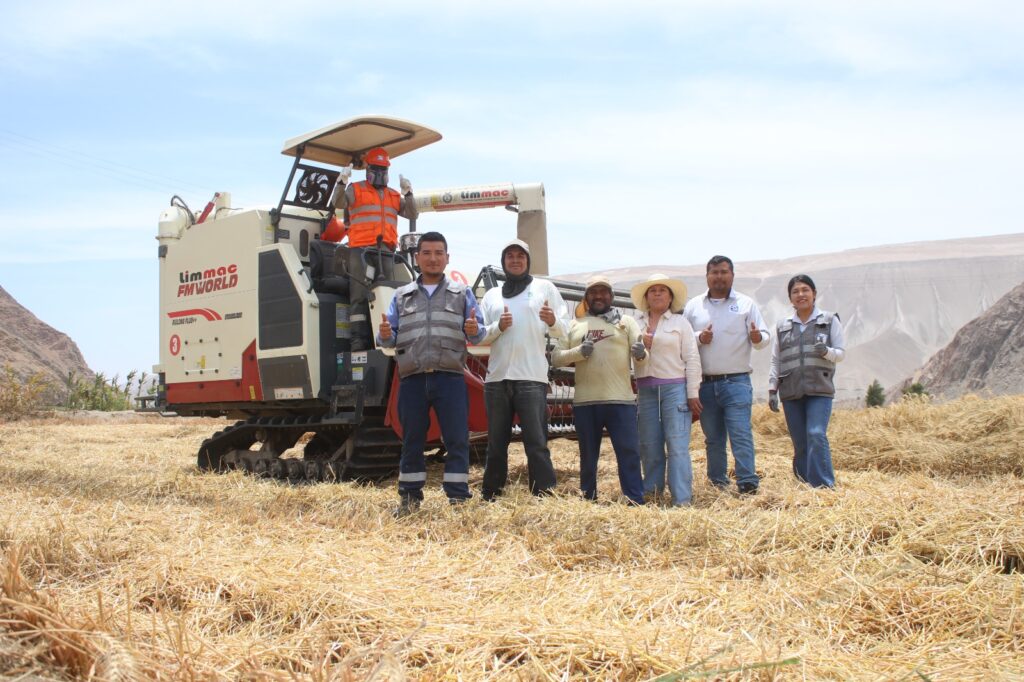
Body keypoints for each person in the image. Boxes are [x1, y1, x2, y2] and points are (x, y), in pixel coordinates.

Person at [377, 231, 486, 515]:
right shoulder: (401, 296)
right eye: (427, 253)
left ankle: (458, 499)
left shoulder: (462, 294)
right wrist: (385, 334)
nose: (433, 258)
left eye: (439, 253)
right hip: (412, 379)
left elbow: (478, 333)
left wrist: (474, 329)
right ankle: (409, 499)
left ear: (447, 258)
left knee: (457, 439)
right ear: (417, 258)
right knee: (412, 440)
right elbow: (388, 338)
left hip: (450, 378)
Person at [478, 239, 568, 500]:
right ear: (503, 261)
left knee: (536, 442)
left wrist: (553, 321)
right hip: (497, 378)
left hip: (531, 377)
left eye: (520, 256)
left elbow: (566, 329)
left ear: (528, 261)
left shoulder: (544, 288)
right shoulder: (492, 295)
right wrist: (498, 327)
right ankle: (491, 494)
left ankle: (544, 494)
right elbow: (479, 336)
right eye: (510, 256)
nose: (515, 260)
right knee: (496, 443)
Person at [551, 277, 647, 505]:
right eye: (593, 292)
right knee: (588, 455)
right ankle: (588, 498)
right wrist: (578, 352)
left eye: (604, 292)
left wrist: (641, 354)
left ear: (611, 297)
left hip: (621, 400)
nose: (599, 296)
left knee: (629, 453)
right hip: (586, 401)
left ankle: (634, 499)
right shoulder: (574, 325)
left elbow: (642, 359)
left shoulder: (627, 322)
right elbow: (555, 358)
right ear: (586, 298)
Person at [683, 255, 770, 494]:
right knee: (713, 438)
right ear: (707, 276)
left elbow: (764, 337)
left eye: (723, 272)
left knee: (740, 434)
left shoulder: (746, 304)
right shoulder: (694, 306)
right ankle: (717, 483)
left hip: (737, 381)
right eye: (714, 272)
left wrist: (757, 338)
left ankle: (747, 483)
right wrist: (700, 337)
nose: (719, 277)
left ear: (732, 275)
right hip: (705, 383)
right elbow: (683, 339)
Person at [329, 146, 419, 350]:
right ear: (368, 169)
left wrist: (408, 193)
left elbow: (412, 214)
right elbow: (338, 202)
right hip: (360, 250)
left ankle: (387, 336)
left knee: (387, 293)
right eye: (376, 168)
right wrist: (342, 182)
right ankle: (359, 341)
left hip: (385, 251)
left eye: (383, 169)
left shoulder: (393, 195)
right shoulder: (356, 189)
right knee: (360, 294)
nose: (380, 173)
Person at [768, 274, 846, 488]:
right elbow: (776, 360)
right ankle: (804, 484)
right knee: (800, 442)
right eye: (795, 291)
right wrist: (772, 389)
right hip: (790, 391)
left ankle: (823, 486)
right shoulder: (783, 326)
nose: (800, 294)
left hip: (819, 389)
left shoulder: (829, 320)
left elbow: (841, 353)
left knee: (816, 434)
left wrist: (827, 352)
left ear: (814, 294)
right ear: (790, 298)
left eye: (805, 290)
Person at [631, 274, 702, 506]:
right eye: (653, 290)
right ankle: (652, 495)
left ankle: (682, 500)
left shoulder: (681, 323)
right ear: (646, 297)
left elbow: (692, 358)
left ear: (670, 297)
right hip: (645, 389)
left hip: (675, 388)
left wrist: (692, 392)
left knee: (677, 445)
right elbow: (626, 357)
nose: (658, 294)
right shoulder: (635, 323)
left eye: (663, 290)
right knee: (649, 444)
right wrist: (639, 348)